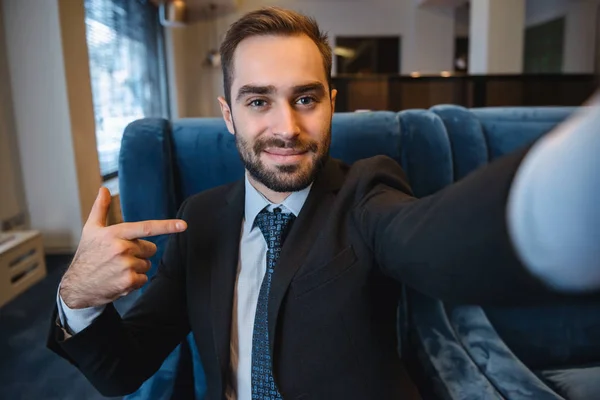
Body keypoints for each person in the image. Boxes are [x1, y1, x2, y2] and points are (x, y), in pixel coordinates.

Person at [47, 7, 600, 400]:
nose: (286, 128)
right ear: (228, 114)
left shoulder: (367, 191)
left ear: (331, 104)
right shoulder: (201, 217)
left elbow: (433, 238)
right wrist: (76, 297)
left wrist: (565, 186)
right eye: (259, 100)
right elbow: (121, 372)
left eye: (305, 99)